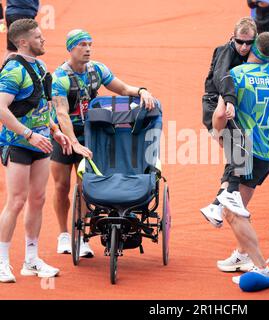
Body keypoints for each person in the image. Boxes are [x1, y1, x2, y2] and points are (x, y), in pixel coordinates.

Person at [51, 29, 156, 256]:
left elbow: (123, 88)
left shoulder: (97, 69)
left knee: (85, 187)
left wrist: (142, 91)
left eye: (90, 44)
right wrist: (73, 142)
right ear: (70, 48)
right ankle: (63, 235)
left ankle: (81, 237)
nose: (88, 49)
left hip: (92, 135)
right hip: (64, 136)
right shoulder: (59, 78)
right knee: (61, 187)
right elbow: (61, 113)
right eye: (82, 45)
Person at [0, 19, 71, 283]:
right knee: (16, 201)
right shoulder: (12, 71)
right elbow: (1, 109)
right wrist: (28, 134)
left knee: (38, 199)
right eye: (39, 37)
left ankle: (31, 260)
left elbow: (41, 106)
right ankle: (2, 261)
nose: (44, 40)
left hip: (42, 142)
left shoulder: (40, 67)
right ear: (23, 42)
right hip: (18, 143)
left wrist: (55, 130)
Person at [215, 32, 269, 286]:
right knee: (239, 205)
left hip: (245, 150)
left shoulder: (237, 75)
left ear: (252, 47)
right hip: (267, 149)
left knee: (231, 213)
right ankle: (242, 255)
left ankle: (262, 267)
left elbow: (220, 114)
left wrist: (218, 136)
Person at [200, 17, 259, 227]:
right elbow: (222, 76)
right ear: (232, 37)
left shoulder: (253, 53)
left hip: (231, 110)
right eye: (239, 41)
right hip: (216, 106)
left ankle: (216, 205)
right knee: (241, 147)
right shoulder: (225, 51)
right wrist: (230, 101)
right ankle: (225, 198)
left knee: (235, 155)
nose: (243, 47)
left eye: (248, 42)